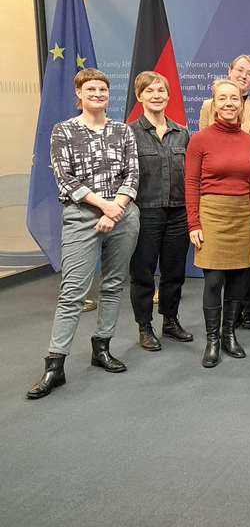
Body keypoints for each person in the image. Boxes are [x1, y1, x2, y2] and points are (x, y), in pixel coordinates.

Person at [28, 68, 140, 399]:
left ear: (109, 94)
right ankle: (54, 365)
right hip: (81, 217)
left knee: (114, 284)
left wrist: (115, 208)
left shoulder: (122, 131)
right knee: (72, 292)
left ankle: (101, 348)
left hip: (123, 215)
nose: (97, 94)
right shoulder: (63, 131)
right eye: (90, 89)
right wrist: (103, 208)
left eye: (103, 89)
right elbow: (66, 180)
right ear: (79, 94)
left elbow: (132, 173)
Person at [185, 78, 250, 368]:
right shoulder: (200, 139)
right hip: (211, 213)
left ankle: (229, 335)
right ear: (214, 104)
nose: (229, 103)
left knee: (238, 280)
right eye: (223, 99)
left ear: (242, 103)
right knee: (214, 280)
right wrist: (193, 222)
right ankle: (212, 340)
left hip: (241, 214)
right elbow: (191, 183)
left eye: (235, 98)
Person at [199, 54, 250, 329]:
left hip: (246, 194)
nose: (243, 75)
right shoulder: (208, 108)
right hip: (215, 201)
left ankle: (247, 311)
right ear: (230, 71)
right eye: (239, 70)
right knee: (215, 276)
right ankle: (217, 332)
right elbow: (203, 155)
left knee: (248, 265)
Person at [127, 71, 193, 352]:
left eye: (161, 91)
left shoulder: (182, 133)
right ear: (139, 96)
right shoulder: (128, 133)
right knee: (142, 274)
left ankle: (170, 320)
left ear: (168, 95)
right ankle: (144, 326)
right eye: (150, 91)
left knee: (174, 272)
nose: (156, 96)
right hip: (145, 213)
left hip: (178, 212)